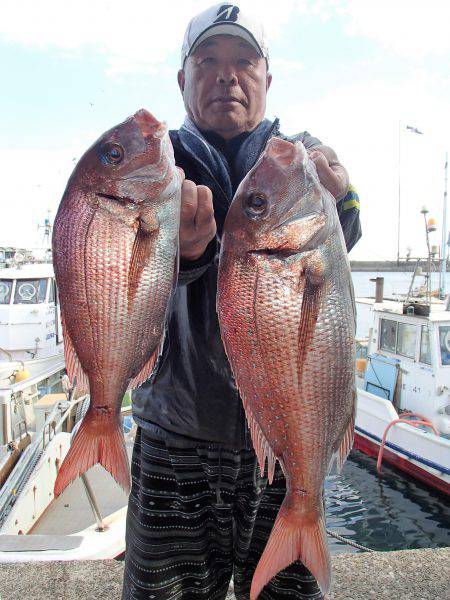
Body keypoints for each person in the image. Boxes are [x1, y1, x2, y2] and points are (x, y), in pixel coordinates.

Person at [122, 3, 361, 599]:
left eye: (243, 61)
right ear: (183, 79)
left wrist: (343, 193)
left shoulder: (297, 156)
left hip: (284, 448)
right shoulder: (153, 162)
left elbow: (340, 242)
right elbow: (117, 280)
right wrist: (183, 255)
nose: (226, 75)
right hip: (174, 439)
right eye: (208, 61)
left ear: (266, 78)